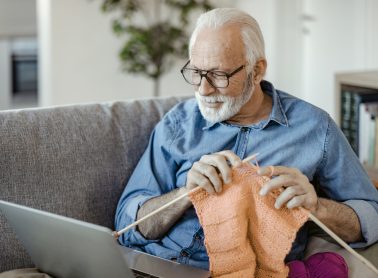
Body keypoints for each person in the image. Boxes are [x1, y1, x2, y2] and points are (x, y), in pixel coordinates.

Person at [115, 7, 378, 271]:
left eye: (219, 75)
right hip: (154, 266)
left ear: (256, 70)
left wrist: (316, 207)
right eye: (196, 72)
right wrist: (185, 194)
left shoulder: (315, 128)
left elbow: (372, 214)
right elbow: (127, 226)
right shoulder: (178, 124)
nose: (203, 90)